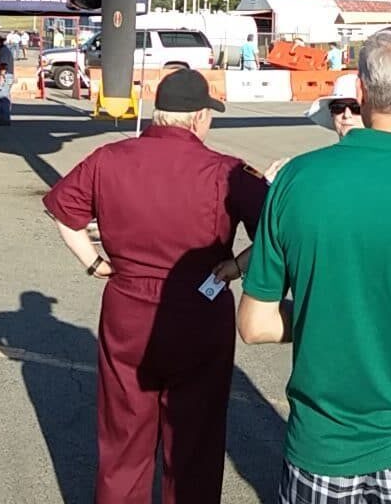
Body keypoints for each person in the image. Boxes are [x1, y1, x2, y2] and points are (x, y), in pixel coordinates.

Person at [43, 68, 268, 504]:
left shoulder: (108, 158)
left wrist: (94, 264)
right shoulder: (228, 171)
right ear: (200, 117)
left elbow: (63, 214)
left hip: (128, 306)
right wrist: (236, 267)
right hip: (199, 307)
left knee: (123, 437)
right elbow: (276, 235)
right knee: (195, 440)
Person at [238, 25, 391, 498]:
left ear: (360, 90)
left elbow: (256, 325)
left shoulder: (295, 180)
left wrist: (324, 312)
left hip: (323, 445)